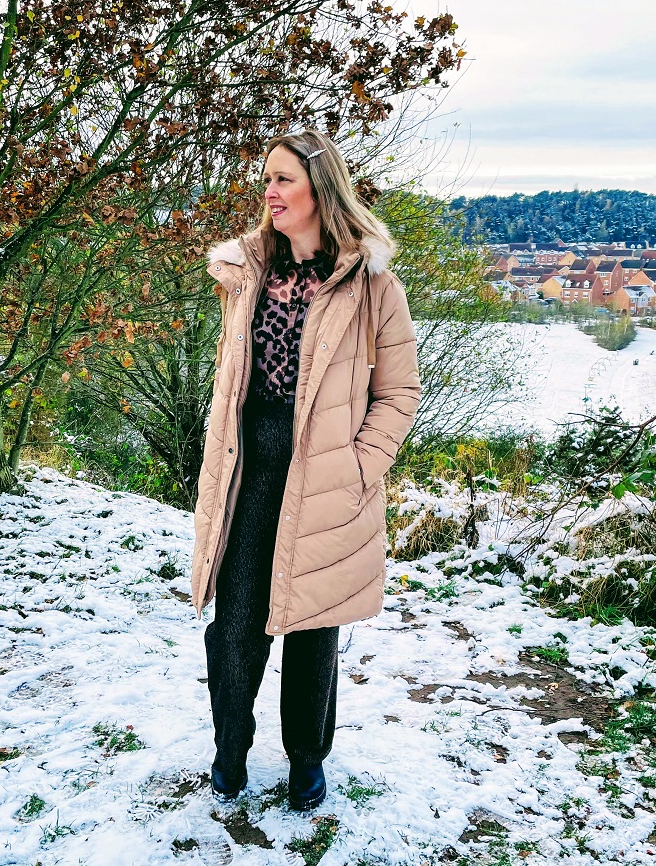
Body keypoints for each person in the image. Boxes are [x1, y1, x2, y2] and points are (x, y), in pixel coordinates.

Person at [190, 128, 421, 811]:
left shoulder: (372, 285)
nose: (269, 191)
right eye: (267, 178)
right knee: (235, 624)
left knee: (313, 631)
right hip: (247, 475)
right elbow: (232, 381)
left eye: (283, 178)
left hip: (325, 478)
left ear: (320, 189)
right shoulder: (247, 274)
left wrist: (360, 467)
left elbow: (399, 392)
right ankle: (230, 750)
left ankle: (306, 762)